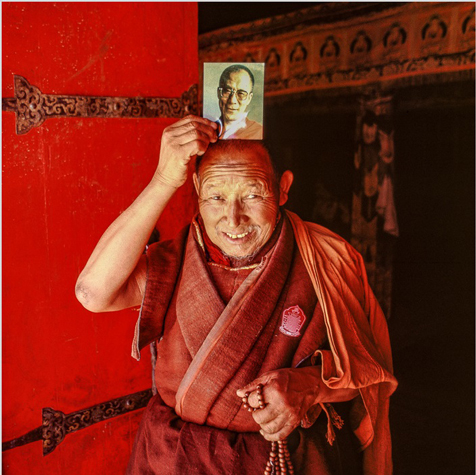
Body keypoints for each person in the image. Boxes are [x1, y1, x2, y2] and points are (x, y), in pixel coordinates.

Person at [76, 115, 397, 474]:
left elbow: (366, 375)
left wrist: (308, 386)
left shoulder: (326, 259)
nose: (233, 218)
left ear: (283, 187)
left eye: (252, 194)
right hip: (175, 459)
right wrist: (165, 179)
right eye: (215, 196)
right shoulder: (174, 260)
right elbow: (92, 292)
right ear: (196, 187)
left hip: (283, 461)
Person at [215, 64, 263, 140]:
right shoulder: (207, 132)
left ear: (249, 98)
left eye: (241, 94)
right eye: (227, 91)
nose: (232, 100)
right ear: (218, 93)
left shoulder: (258, 132)